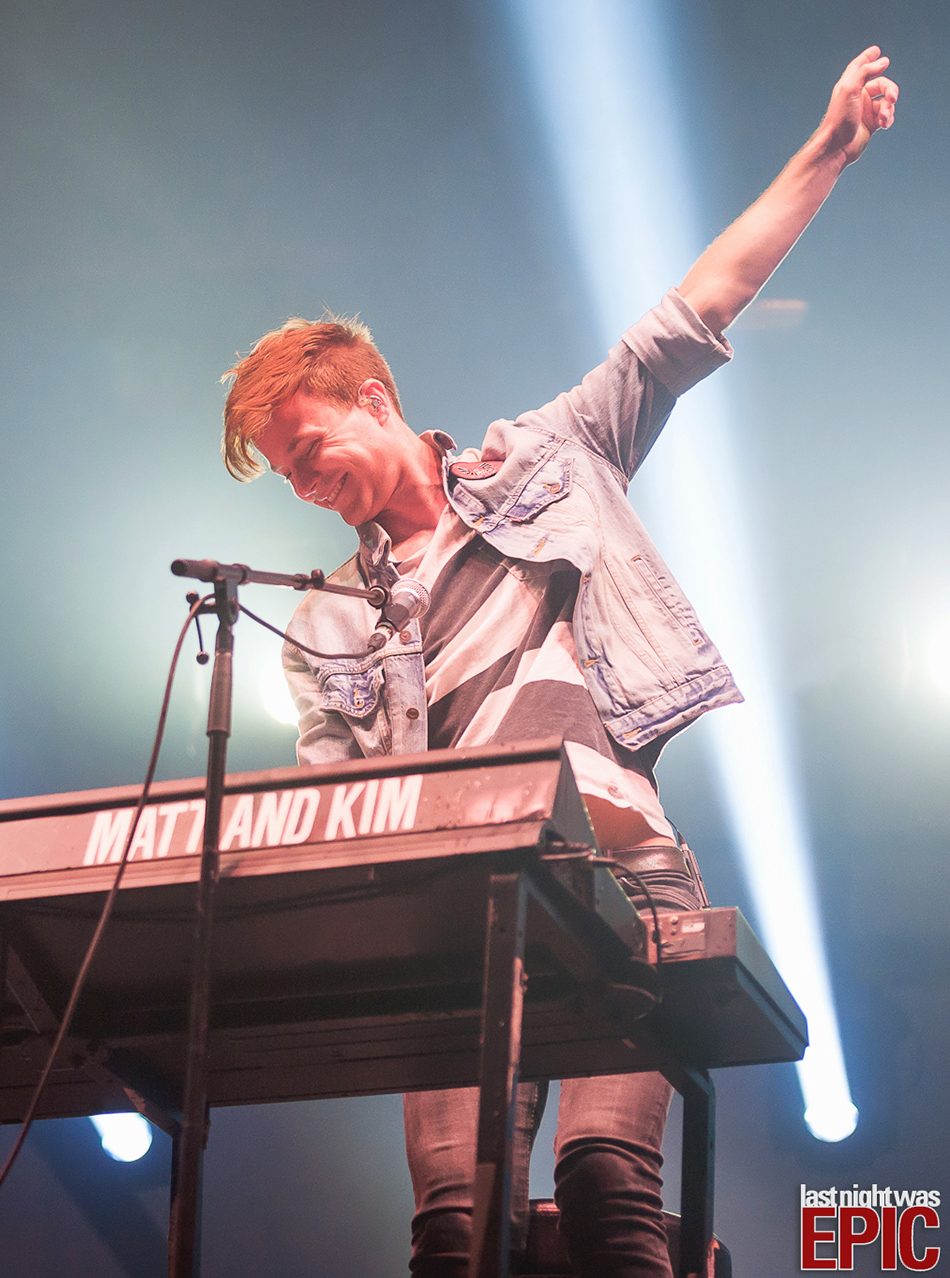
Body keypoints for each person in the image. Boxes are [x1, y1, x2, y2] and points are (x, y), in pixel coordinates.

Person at [218, 48, 897, 1278]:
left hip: (617, 876)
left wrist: (828, 154)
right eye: (288, 473)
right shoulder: (318, 618)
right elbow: (329, 798)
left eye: (313, 448)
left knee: (604, 1185)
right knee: (452, 1230)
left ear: (375, 399)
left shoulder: (550, 457)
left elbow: (692, 316)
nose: (307, 483)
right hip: (456, 930)